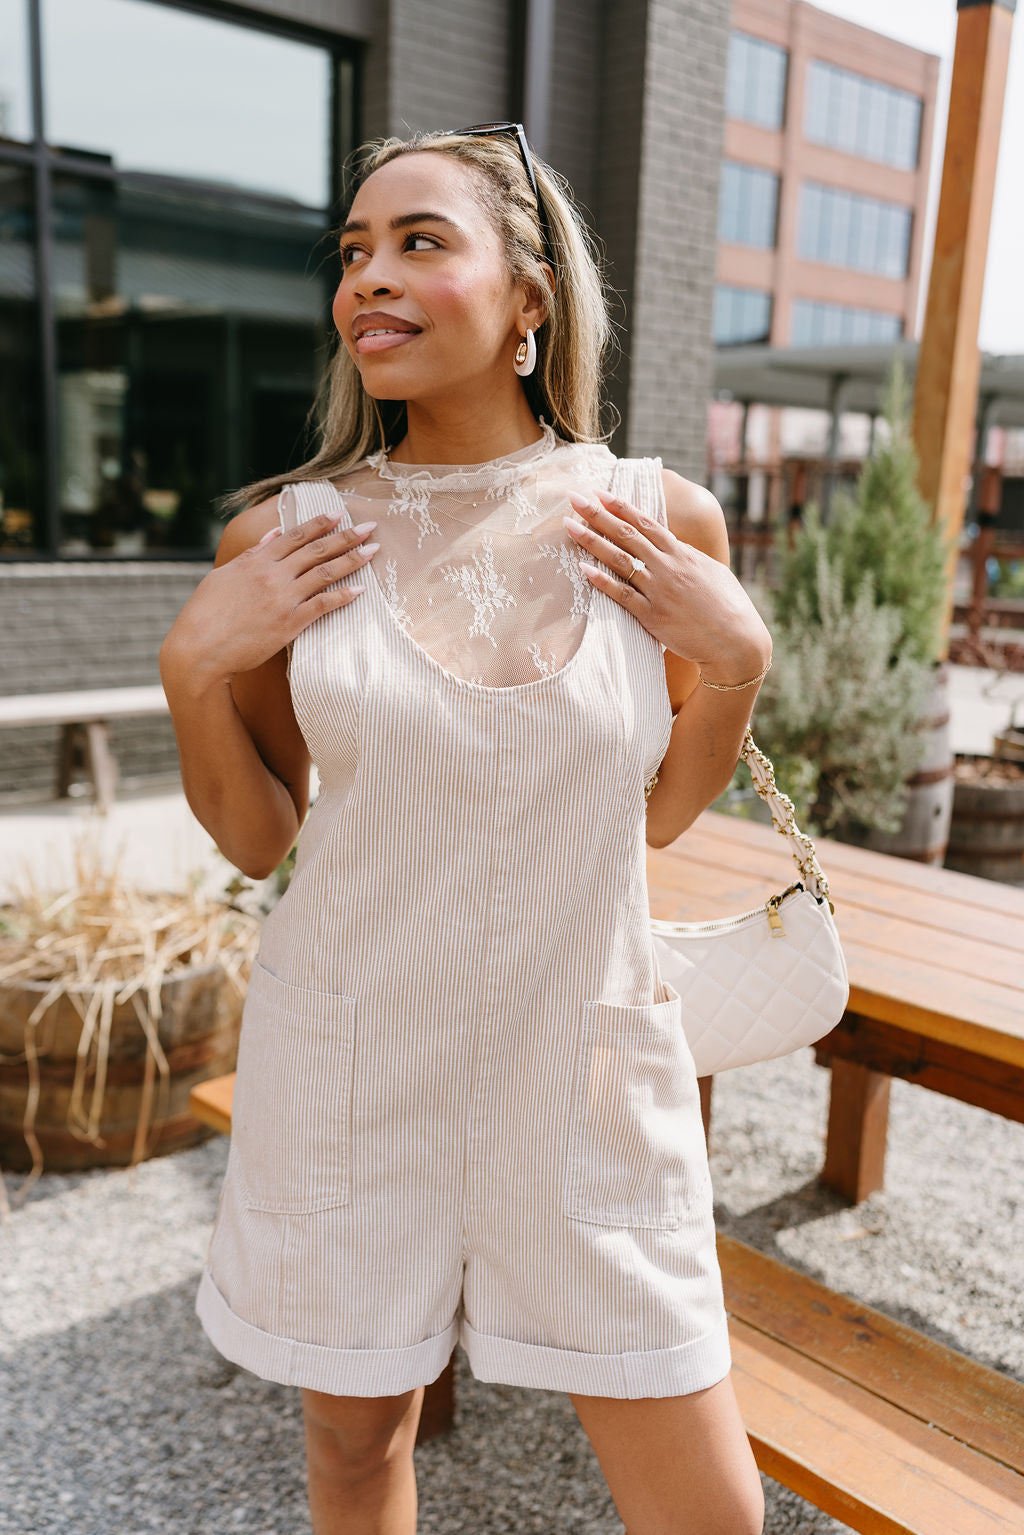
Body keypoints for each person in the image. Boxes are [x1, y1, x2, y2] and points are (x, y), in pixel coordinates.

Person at [159, 123, 771, 1535]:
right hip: (354, 1066)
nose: (367, 278)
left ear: (530, 301)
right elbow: (259, 837)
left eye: (419, 242)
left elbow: (663, 813)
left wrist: (733, 663)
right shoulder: (287, 538)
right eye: (354, 252)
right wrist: (193, 666)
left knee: (710, 1511)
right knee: (357, 1451)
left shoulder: (653, 519)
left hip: (585, 1065)